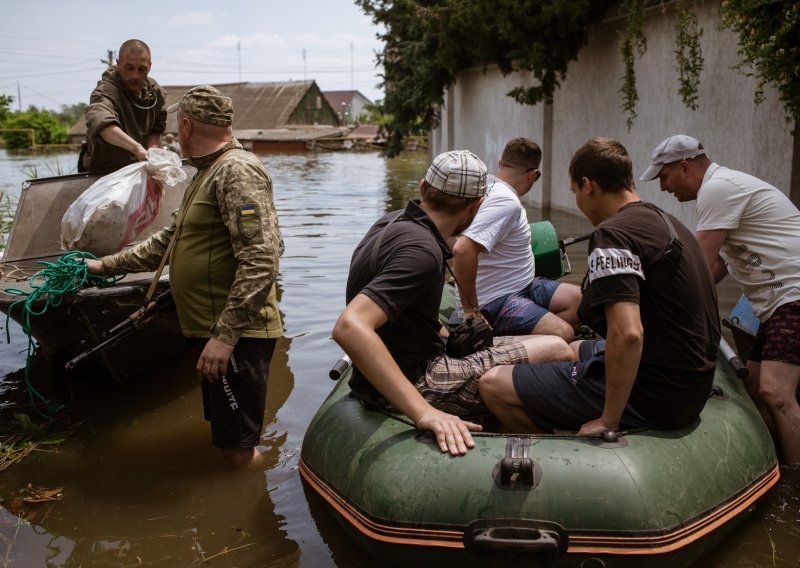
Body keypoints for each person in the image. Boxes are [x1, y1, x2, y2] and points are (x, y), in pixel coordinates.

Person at [86, 85, 283, 467]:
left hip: (236, 337)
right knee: (227, 441)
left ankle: (275, 489)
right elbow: (169, 242)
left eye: (178, 126)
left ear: (188, 125)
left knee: (236, 451)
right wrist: (104, 266)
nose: (176, 134)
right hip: (214, 331)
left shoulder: (237, 171)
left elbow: (262, 258)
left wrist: (225, 338)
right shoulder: (205, 172)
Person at [332, 150, 575, 456]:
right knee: (559, 349)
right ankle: (538, 448)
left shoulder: (390, 222)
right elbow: (349, 326)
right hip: (420, 380)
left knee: (536, 344)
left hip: (407, 363)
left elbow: (406, 313)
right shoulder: (421, 251)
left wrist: (445, 335)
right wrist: (423, 412)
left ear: (423, 188)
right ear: (476, 206)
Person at [479, 137, 721, 435]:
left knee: (492, 384)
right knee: (574, 346)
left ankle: (554, 447)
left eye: (575, 192)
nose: (578, 202)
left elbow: (628, 334)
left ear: (587, 185)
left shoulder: (612, 235)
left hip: (655, 395)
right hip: (688, 386)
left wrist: (609, 419)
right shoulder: (666, 221)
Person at [640, 134, 800, 465]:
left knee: (776, 393)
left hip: (793, 296)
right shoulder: (724, 189)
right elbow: (714, 269)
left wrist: (658, 307)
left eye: (664, 177)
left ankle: (794, 481)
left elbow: (693, 265)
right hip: (775, 304)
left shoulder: (718, 189)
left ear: (684, 167)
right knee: (753, 390)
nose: (663, 188)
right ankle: (769, 466)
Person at [452, 137, 581, 341]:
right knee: (563, 333)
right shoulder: (506, 202)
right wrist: (471, 312)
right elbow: (462, 249)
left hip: (524, 285)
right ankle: (496, 342)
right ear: (533, 175)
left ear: (500, 163)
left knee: (582, 301)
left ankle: (528, 333)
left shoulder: (486, 188)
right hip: (496, 300)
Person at [82, 39, 166, 173]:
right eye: (129, 68)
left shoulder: (155, 92)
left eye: (142, 69)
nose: (135, 75)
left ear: (150, 66)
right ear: (118, 63)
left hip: (142, 170)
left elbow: (157, 127)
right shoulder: (104, 92)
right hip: (106, 174)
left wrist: (151, 152)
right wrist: (137, 149)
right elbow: (103, 124)